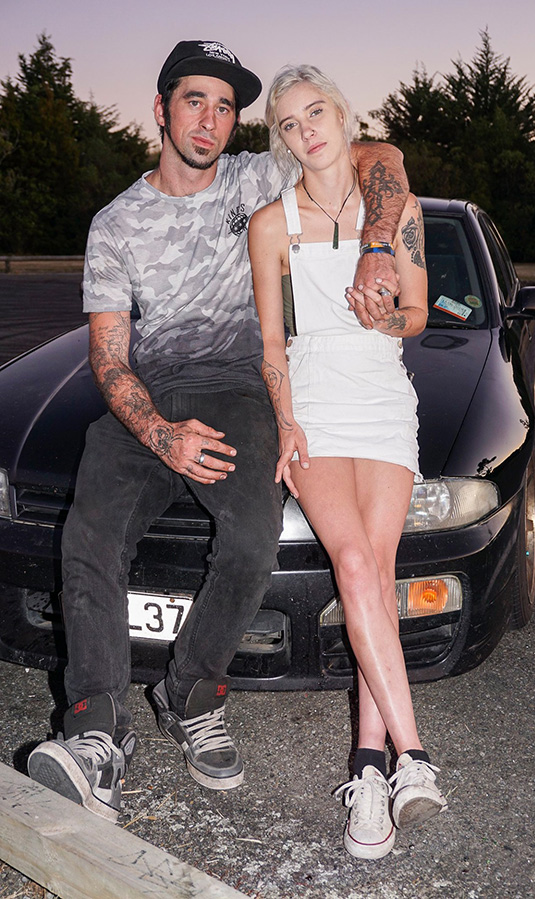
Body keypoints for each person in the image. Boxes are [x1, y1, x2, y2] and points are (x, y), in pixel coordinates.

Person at [26, 42, 411, 823]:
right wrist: (161, 434)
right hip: (147, 394)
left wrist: (376, 245)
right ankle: (96, 733)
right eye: (194, 100)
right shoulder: (116, 223)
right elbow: (107, 355)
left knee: (251, 532)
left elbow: (378, 153)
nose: (210, 119)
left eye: (226, 106)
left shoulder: (254, 178)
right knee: (91, 533)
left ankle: (191, 689)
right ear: (162, 109)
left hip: (240, 385)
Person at [248, 65, 447, 861]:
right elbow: (270, 340)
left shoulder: (396, 209)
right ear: (282, 140)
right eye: (289, 125)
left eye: (316, 112)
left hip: (383, 399)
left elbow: (420, 315)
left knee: (378, 578)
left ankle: (370, 773)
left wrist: (388, 314)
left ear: (343, 113)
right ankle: (414, 757)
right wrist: (285, 418)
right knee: (356, 566)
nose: (307, 132)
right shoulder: (272, 222)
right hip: (318, 402)